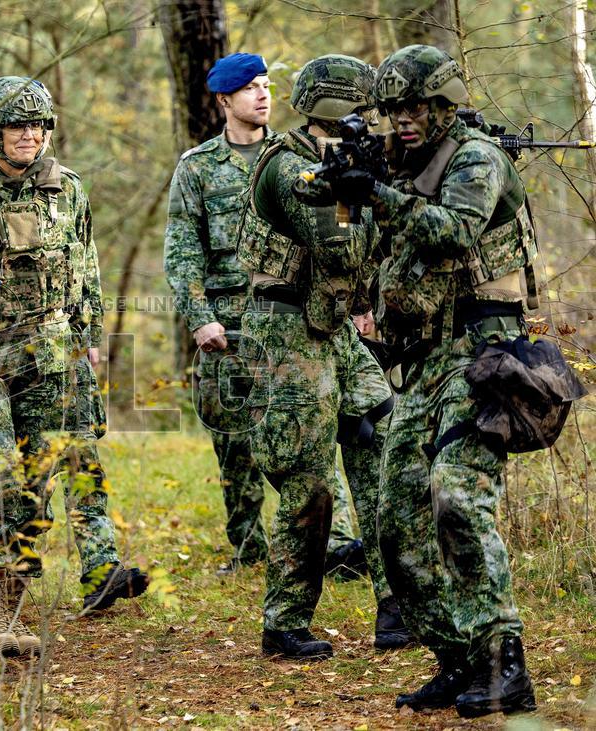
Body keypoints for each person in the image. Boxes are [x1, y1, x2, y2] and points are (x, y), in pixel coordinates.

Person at [329, 45, 537, 716]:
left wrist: (378, 193)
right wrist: (344, 178)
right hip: (424, 357)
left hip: (482, 349)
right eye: (394, 109)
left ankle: (506, 663)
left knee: (456, 495)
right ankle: (458, 657)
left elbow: (451, 233)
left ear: (445, 102)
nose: (404, 120)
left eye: (415, 106)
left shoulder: (476, 158)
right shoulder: (403, 162)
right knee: (395, 517)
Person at [0, 76, 148, 658]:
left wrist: (90, 336)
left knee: (41, 476)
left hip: (51, 353)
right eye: (17, 125)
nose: (29, 135)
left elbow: (85, 268)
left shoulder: (66, 190)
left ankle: (11, 611)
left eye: (39, 125)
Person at [163, 52, 361, 576]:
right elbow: (183, 251)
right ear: (225, 100)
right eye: (250, 88)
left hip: (296, 315)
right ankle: (248, 548)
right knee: (235, 441)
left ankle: (334, 545)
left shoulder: (297, 156)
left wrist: (353, 306)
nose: (262, 94)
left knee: (312, 427)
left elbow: (339, 236)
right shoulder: (198, 167)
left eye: (266, 85)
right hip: (228, 322)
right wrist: (200, 317)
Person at [238, 54, 395, 660]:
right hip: (286, 331)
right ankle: (284, 620)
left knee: (381, 443)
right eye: (359, 112)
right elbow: (339, 248)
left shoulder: (337, 163)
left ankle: (395, 601)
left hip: (332, 329)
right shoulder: (288, 168)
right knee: (308, 480)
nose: (368, 122)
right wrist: (382, 201)